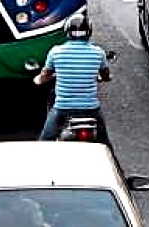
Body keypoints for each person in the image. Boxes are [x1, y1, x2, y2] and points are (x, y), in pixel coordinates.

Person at [35, 12, 110, 141]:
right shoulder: (98, 53)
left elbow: (44, 75)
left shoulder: (56, 52)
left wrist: (39, 80)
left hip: (62, 108)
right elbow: (105, 74)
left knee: (44, 142)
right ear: (89, 32)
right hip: (91, 108)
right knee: (105, 143)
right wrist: (103, 78)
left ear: (67, 32)